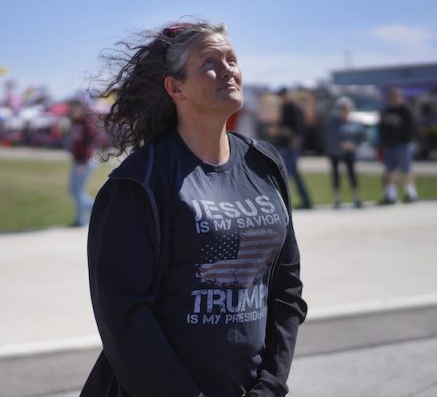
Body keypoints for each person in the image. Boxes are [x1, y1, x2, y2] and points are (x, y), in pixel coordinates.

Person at [82, 22, 307, 397]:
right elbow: (123, 318)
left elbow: (286, 289)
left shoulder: (264, 164)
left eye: (232, 59)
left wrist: (270, 385)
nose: (228, 69)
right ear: (176, 87)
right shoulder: (138, 184)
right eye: (210, 63)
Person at [268, 88, 312, 209]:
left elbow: (297, 130)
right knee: (291, 174)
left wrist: (279, 131)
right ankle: (305, 201)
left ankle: (299, 201)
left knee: (289, 174)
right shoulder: (284, 108)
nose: (282, 98)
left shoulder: (295, 109)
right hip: (285, 145)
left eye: (284, 96)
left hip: (293, 146)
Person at [378, 88, 418, 204]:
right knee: (389, 170)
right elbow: (382, 128)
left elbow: (412, 129)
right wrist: (384, 142)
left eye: (396, 96)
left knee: (406, 169)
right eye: (392, 97)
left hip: (403, 145)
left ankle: (411, 193)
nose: (394, 99)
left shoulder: (406, 111)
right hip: (389, 145)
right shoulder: (387, 111)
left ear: (401, 97)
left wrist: (406, 140)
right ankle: (391, 195)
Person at [325, 96, 365, 209]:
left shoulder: (355, 123)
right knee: (336, 175)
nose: (344, 111)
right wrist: (341, 144)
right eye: (342, 109)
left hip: (349, 152)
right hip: (335, 152)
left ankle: (356, 198)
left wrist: (355, 146)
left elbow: (361, 136)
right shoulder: (333, 122)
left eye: (346, 109)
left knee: (352, 174)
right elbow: (329, 137)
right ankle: (337, 199)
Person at [67, 99, 98, 227]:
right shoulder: (75, 122)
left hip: (85, 161)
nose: (73, 111)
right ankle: (96, 207)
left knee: (78, 191)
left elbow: (89, 144)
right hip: (78, 160)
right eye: (71, 109)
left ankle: (80, 220)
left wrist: (83, 162)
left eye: (75, 109)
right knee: (73, 191)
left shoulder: (87, 123)